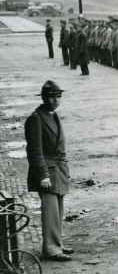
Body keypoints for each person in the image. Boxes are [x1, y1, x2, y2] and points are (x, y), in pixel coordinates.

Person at [25, 81, 74, 262]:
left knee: (58, 210)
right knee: (50, 211)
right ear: (44, 98)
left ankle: (57, 243)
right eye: (52, 97)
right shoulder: (36, 118)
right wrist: (43, 174)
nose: (56, 100)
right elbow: (34, 151)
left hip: (58, 168)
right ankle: (51, 250)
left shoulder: (52, 115)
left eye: (58, 96)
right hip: (47, 171)